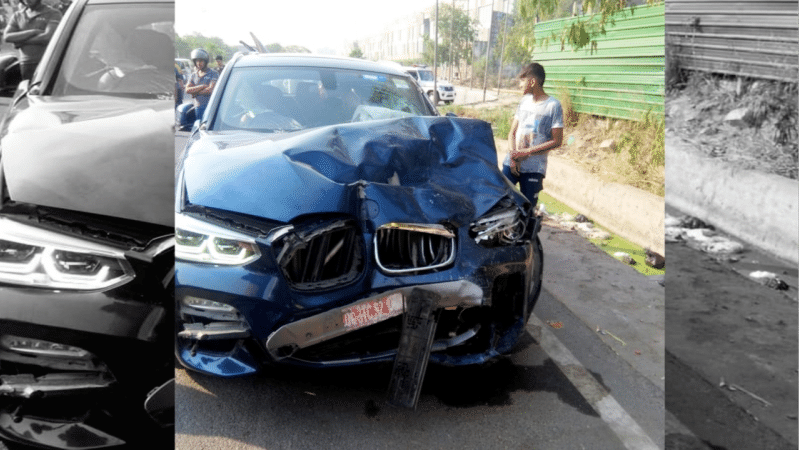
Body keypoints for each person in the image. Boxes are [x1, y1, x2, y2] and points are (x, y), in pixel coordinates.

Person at [503, 62, 563, 210]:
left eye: (522, 80)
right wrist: (513, 156)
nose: (519, 85)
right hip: (511, 163)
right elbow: (512, 133)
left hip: (534, 169)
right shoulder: (523, 102)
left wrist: (526, 152)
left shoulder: (553, 106)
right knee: (500, 203)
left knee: (527, 211)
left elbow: (557, 141)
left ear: (532, 81)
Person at [2, 0, 61, 80]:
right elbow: (7, 37)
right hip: (26, 63)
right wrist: (33, 32)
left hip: (47, 61)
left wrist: (20, 41)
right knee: (28, 90)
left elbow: (47, 37)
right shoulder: (18, 15)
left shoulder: (53, 13)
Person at [184, 48, 218, 122]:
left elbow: (210, 90)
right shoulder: (193, 75)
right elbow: (187, 90)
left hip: (210, 107)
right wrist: (202, 86)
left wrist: (194, 92)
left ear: (205, 61)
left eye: (201, 61)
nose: (199, 63)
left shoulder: (213, 73)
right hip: (197, 107)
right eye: (197, 61)